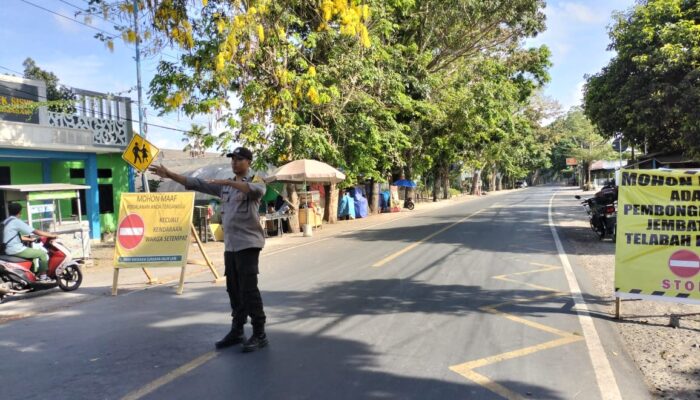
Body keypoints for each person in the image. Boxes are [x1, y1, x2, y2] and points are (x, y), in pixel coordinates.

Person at [148, 147, 269, 353]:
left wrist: (229, 182)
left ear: (249, 161)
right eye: (233, 159)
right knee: (233, 289)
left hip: (248, 244)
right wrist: (169, 174)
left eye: (239, 159)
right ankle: (237, 330)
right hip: (231, 246)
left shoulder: (256, 179)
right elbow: (197, 183)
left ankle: (259, 333)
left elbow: (256, 191)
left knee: (249, 290)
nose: (235, 162)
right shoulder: (226, 188)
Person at [2, 202, 58, 282]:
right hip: (15, 249)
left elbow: (12, 236)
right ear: (20, 212)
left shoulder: (5, 221)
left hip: (6, 249)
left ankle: (32, 275)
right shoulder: (16, 221)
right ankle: (43, 277)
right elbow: (35, 231)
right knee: (42, 254)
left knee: (32, 254)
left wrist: (30, 240)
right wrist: (51, 235)